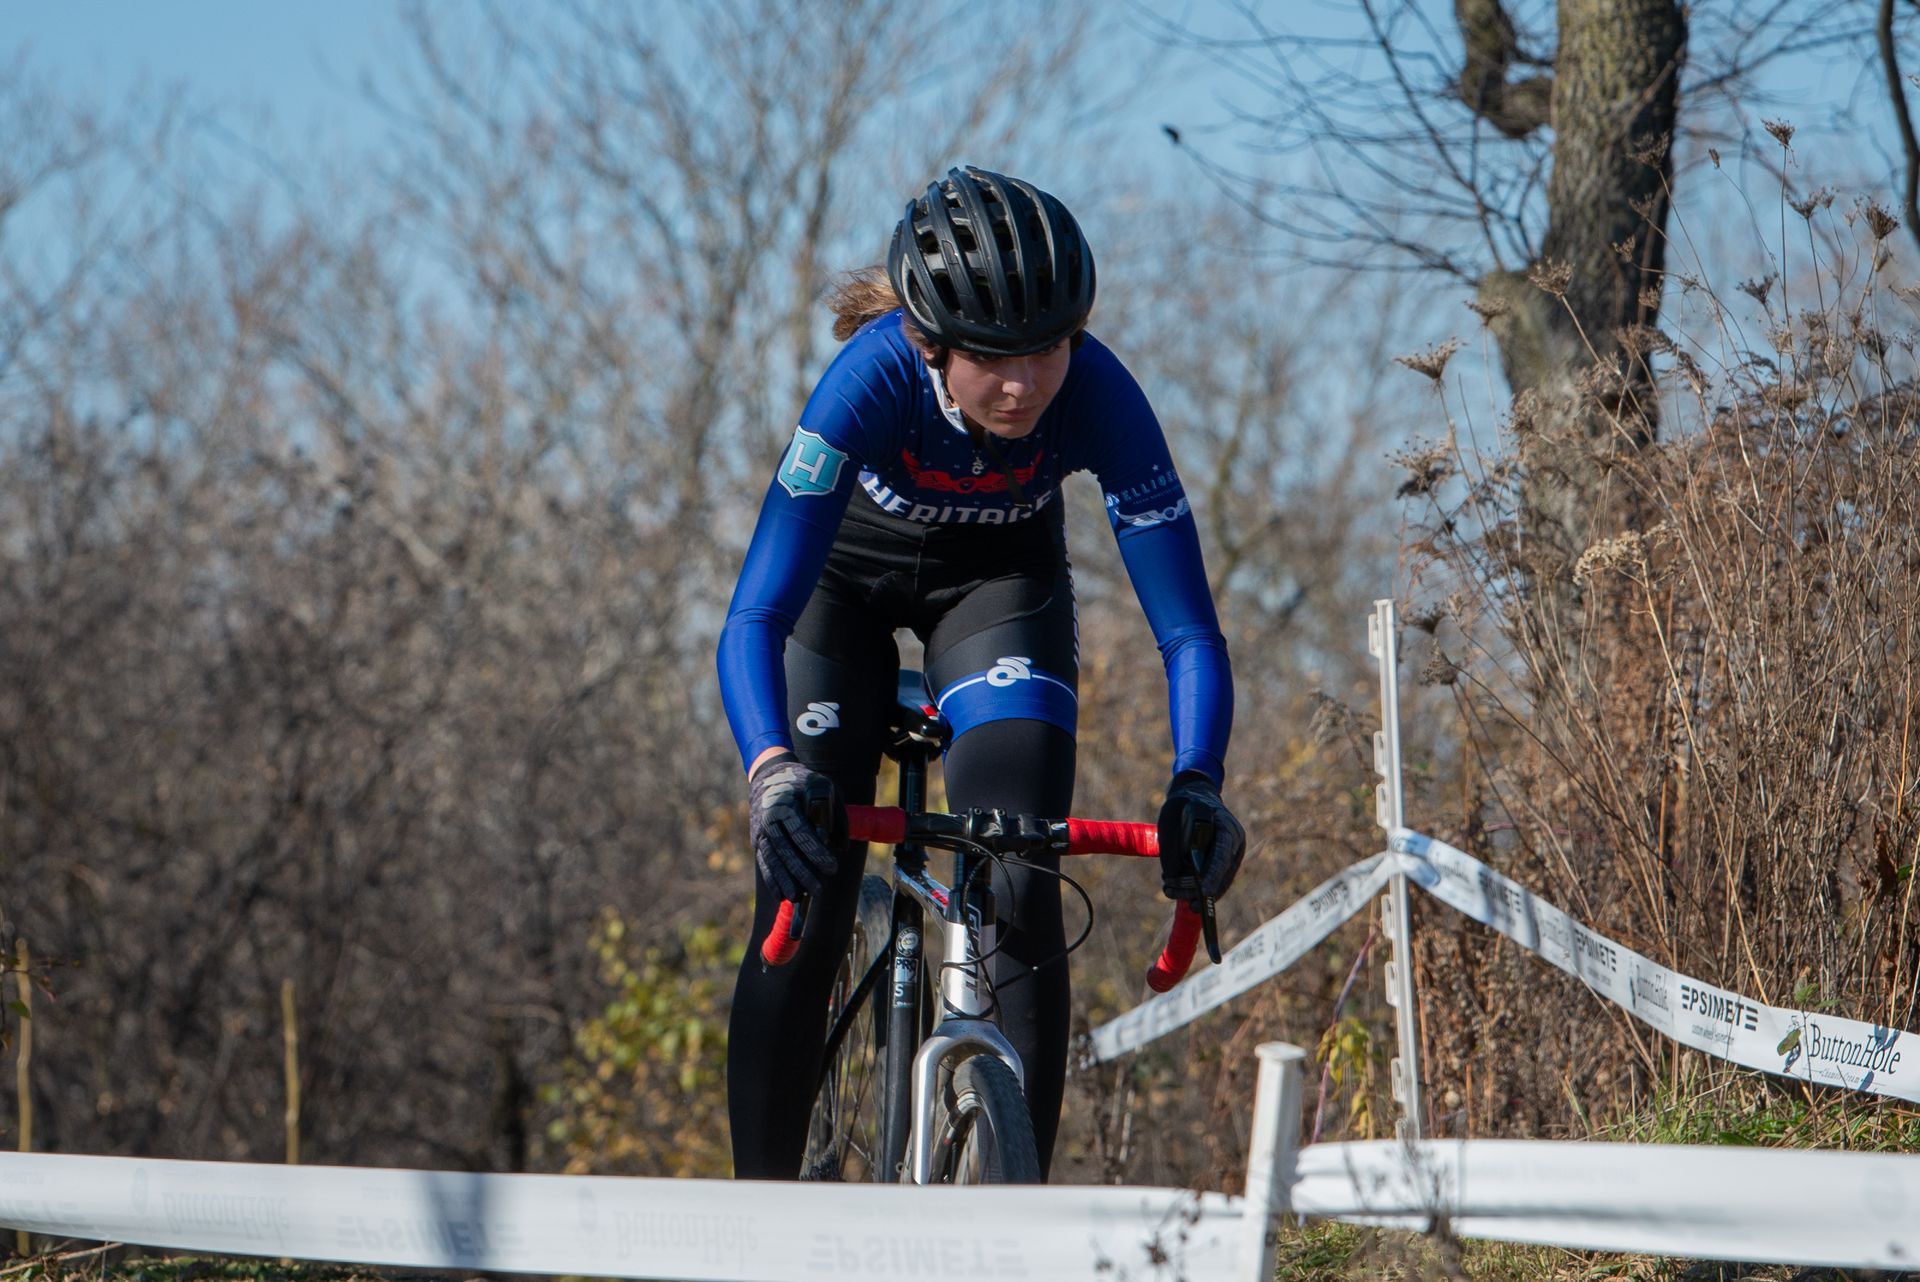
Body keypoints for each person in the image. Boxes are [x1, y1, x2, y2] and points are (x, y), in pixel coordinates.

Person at [716, 166, 1245, 1181]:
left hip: (998, 588)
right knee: (808, 884)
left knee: (1017, 873)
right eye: (995, 360)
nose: (1027, 383)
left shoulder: (1098, 392)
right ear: (930, 345)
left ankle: (1013, 1222)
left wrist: (1197, 779)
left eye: (1048, 348)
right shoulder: (867, 382)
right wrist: (773, 771)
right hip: (844, 593)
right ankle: (763, 1219)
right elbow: (756, 613)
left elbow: (1187, 632)